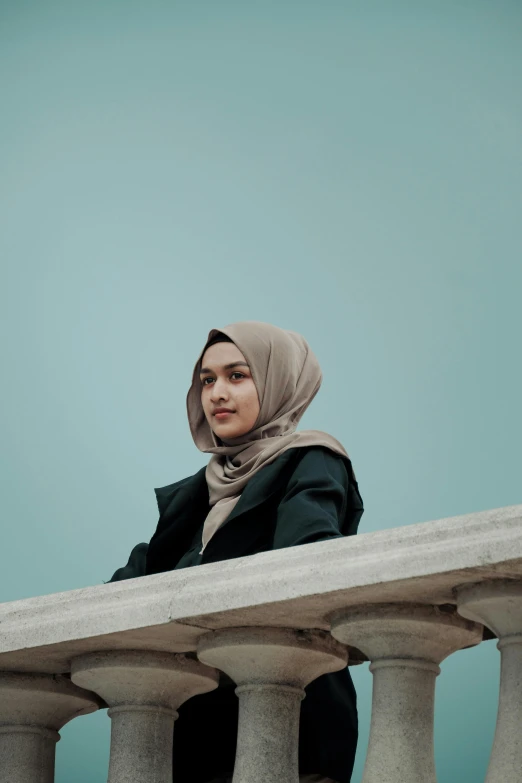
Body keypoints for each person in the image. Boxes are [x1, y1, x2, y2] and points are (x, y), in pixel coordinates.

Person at [109, 321, 364, 783]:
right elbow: (138, 577)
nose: (216, 393)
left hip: (290, 721)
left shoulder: (311, 459)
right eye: (207, 380)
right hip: (197, 731)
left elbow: (305, 555)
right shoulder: (200, 490)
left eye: (237, 375)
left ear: (279, 379)